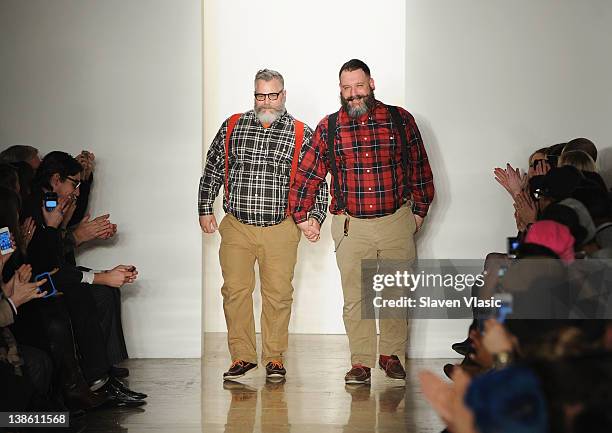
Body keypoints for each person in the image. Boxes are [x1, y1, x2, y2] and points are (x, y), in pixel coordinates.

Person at [289, 59, 435, 384]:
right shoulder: (329, 127)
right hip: (350, 226)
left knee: (397, 293)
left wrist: (418, 212)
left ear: (371, 84)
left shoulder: (399, 119)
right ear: (339, 90)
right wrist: (302, 216)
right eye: (346, 88)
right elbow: (307, 174)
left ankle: (391, 355)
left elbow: (420, 168)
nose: (353, 94)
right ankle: (361, 363)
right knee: (356, 298)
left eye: (358, 86)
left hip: (396, 220)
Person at [198, 69, 328, 381]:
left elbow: (318, 182)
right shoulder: (233, 126)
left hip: (281, 228)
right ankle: (242, 357)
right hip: (237, 226)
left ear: (284, 95)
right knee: (235, 292)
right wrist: (205, 208)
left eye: (272, 95)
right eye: (260, 95)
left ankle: (274, 358)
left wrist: (315, 217)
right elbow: (213, 168)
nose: (266, 101)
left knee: (278, 295)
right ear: (254, 95)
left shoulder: (303, 133)